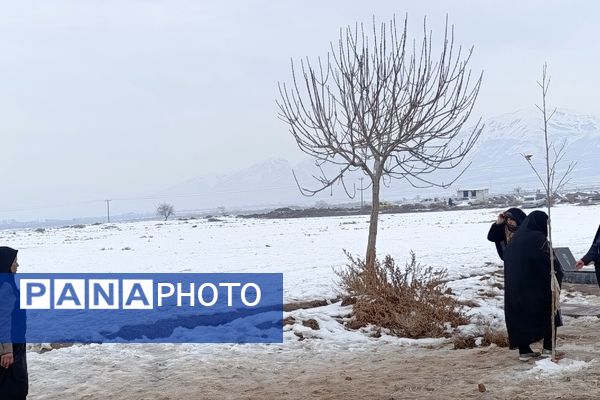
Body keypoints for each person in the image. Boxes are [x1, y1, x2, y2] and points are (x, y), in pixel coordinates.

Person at [503, 211, 562, 361]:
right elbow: (550, 263)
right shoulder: (539, 239)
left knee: (520, 318)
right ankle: (548, 348)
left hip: (515, 290)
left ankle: (524, 351)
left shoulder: (514, 241)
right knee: (550, 312)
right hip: (537, 288)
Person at [0, 247, 28, 399]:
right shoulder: (5, 286)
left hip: (11, 343)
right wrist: (6, 351)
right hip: (11, 347)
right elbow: (2, 320)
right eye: (14, 262)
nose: (17, 265)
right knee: (13, 388)